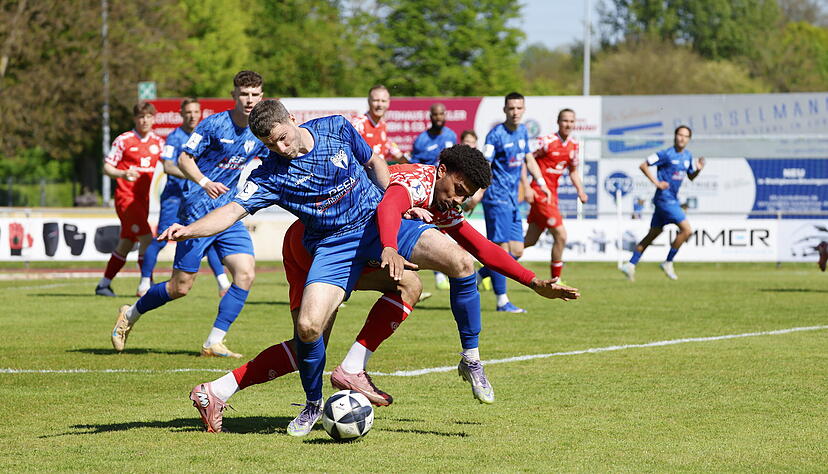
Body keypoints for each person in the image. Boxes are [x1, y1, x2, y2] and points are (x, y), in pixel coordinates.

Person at [185, 145, 580, 433]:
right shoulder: (415, 178)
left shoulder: (445, 200)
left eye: (465, 196)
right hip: (314, 246)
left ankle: (347, 369)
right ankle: (221, 390)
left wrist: (533, 283)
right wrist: (390, 245)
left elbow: (482, 248)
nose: (458, 200)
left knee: (412, 283)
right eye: (457, 189)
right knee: (309, 344)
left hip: (357, 246)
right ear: (441, 171)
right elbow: (390, 205)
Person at [110, 70, 268, 358]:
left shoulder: (259, 129)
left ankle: (213, 342)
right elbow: (184, 158)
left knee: (245, 275)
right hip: (197, 213)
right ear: (234, 95)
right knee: (180, 288)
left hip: (229, 213)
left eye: (255, 94)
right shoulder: (214, 124)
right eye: (244, 94)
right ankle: (130, 314)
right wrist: (204, 182)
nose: (249, 100)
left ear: (261, 97)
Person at [137, 98, 231, 298]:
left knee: (207, 237)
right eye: (188, 112)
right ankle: (144, 282)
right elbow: (169, 166)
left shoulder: (208, 135)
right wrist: (198, 178)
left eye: (196, 112)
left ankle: (223, 284)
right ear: (181, 114)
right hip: (175, 197)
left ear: (200, 113)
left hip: (197, 199)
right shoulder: (175, 137)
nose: (192, 116)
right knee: (162, 238)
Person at [467, 92, 549, 313]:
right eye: (511, 108)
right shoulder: (495, 135)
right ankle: (502, 301)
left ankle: (479, 274)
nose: (515, 112)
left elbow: (529, 159)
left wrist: (540, 182)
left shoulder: (522, 131)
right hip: (496, 198)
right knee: (501, 249)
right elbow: (486, 165)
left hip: (513, 200)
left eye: (519, 108)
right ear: (505, 110)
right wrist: (478, 194)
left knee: (518, 249)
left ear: (523, 110)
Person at [95, 101, 164, 297]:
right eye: (141, 117)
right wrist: (122, 174)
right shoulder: (124, 140)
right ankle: (146, 283)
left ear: (154, 118)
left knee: (126, 243)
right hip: (126, 198)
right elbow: (107, 167)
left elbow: (169, 164)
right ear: (135, 119)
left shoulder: (158, 143)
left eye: (149, 117)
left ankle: (103, 285)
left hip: (143, 200)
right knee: (147, 239)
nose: (145, 120)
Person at [620, 125, 705, 281]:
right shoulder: (666, 154)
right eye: (680, 135)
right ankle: (668, 262)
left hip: (669, 200)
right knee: (686, 230)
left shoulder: (688, 156)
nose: (682, 138)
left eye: (686, 136)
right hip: (665, 199)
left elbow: (691, 176)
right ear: (674, 136)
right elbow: (643, 165)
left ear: (689, 139)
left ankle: (630, 264)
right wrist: (656, 182)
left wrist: (698, 169)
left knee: (653, 234)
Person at [523, 108, 588, 284]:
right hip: (541, 193)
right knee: (561, 235)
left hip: (552, 196)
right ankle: (556, 279)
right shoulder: (546, 142)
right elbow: (526, 158)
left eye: (571, 121)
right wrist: (527, 186)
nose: (568, 124)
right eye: (565, 121)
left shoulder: (574, 146)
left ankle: (487, 270)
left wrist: (580, 190)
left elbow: (573, 171)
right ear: (558, 122)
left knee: (528, 241)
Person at [410, 102, 457, 289]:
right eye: (435, 115)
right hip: (425, 193)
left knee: (444, 229)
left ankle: (441, 272)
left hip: (445, 193)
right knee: (423, 231)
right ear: (430, 117)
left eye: (441, 114)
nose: (439, 117)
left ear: (445, 115)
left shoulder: (451, 136)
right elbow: (414, 167)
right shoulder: (421, 140)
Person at [352, 84, 407, 164]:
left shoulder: (383, 125)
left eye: (383, 101)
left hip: (377, 173)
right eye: (376, 100)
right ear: (369, 101)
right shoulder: (358, 124)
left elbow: (393, 150)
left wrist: (409, 158)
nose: (380, 105)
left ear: (388, 102)